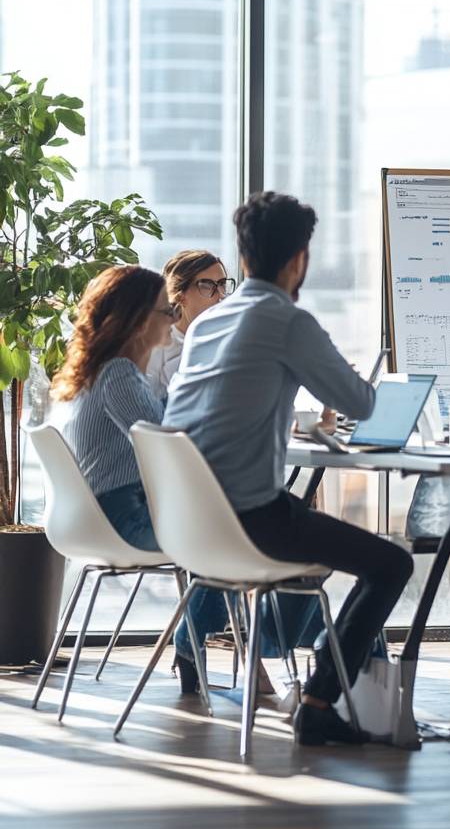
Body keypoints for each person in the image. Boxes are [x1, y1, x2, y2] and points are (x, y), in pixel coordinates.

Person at [163, 191, 414, 747]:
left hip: (189, 521)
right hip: (251, 522)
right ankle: (320, 702)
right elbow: (363, 404)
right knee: (392, 562)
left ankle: (319, 689)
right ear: (299, 257)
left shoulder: (206, 325)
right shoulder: (287, 321)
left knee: (320, 530)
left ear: (244, 256)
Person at [51, 265, 226, 691]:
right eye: (167, 312)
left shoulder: (91, 373)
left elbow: (157, 423)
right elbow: (166, 446)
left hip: (88, 521)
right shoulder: (118, 373)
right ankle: (191, 641)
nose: (173, 319)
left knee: (222, 528)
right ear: (137, 320)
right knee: (229, 532)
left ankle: (196, 643)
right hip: (121, 520)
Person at [146, 250, 234, 398]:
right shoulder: (155, 345)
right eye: (207, 285)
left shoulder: (225, 342)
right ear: (180, 296)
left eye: (222, 284)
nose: (220, 295)